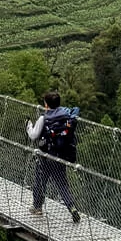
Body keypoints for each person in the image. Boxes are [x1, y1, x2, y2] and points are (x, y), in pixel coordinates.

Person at [26, 90, 81, 223]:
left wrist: (28, 126)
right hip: (61, 155)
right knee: (62, 184)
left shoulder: (44, 118)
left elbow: (33, 135)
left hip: (45, 156)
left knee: (40, 182)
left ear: (46, 104)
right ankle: (72, 207)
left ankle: (37, 207)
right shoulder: (67, 115)